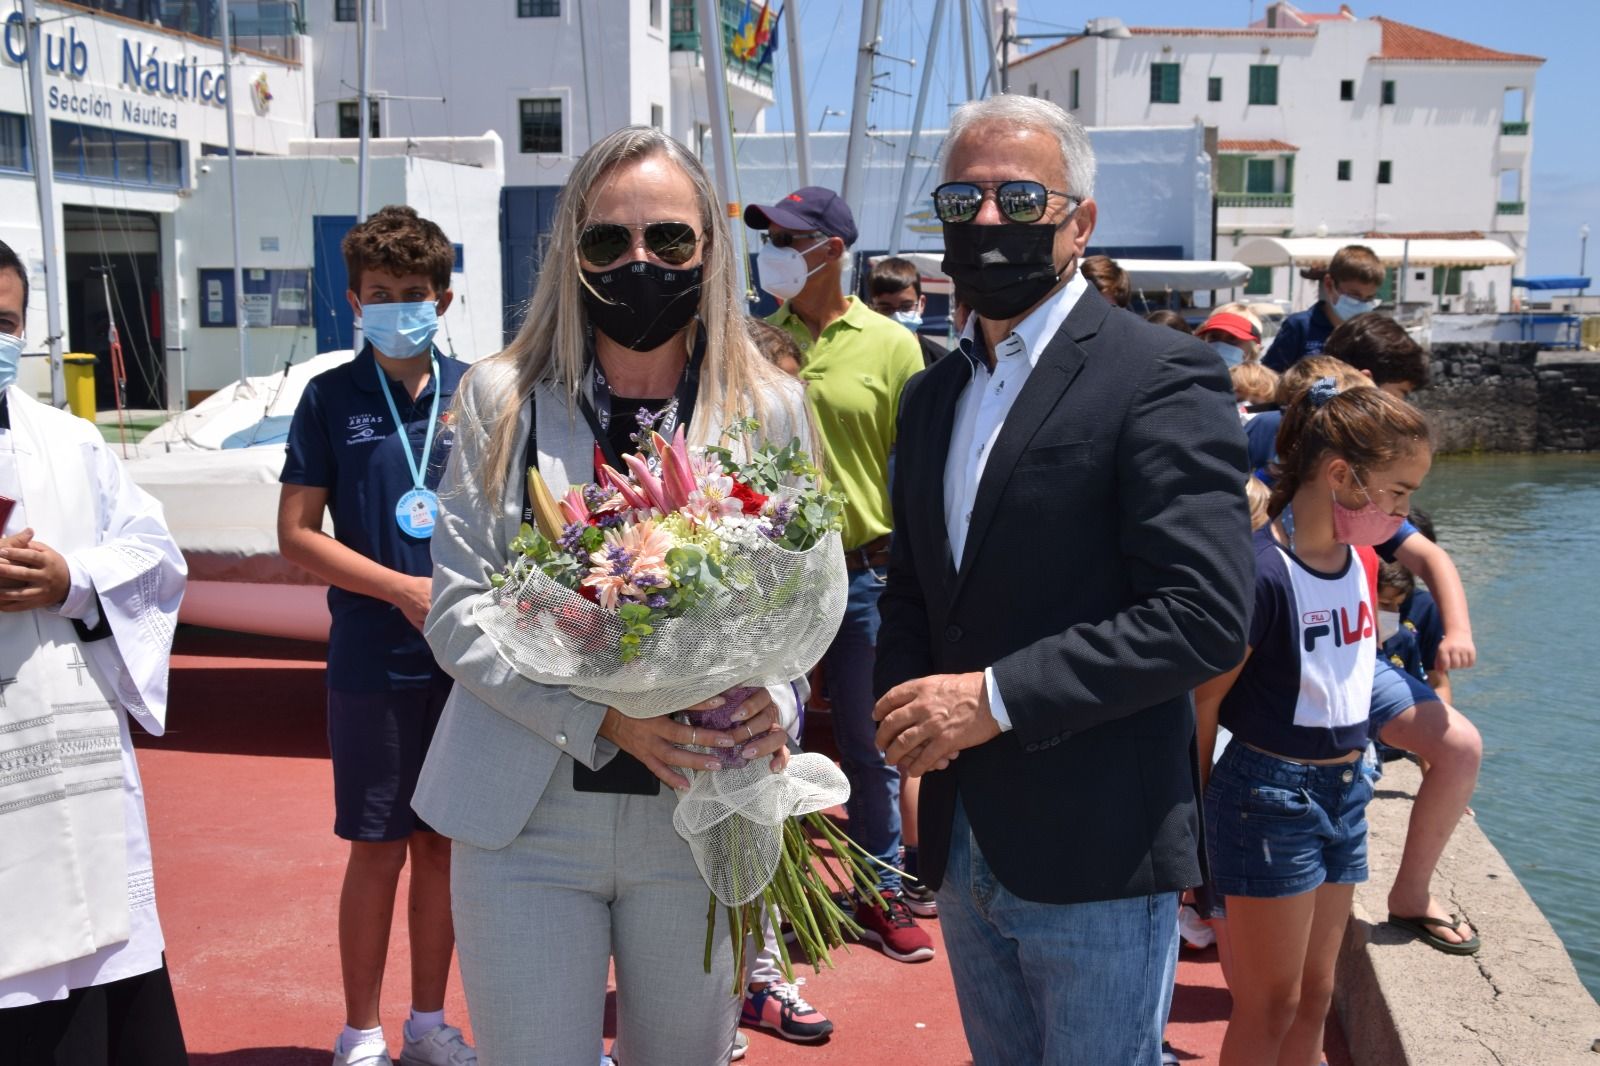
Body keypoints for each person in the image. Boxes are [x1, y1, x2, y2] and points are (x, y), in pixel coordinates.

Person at [873, 94, 1254, 1064]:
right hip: (961, 842)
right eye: (961, 200)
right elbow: (915, 586)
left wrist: (991, 700)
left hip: (1097, 844)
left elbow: (1204, 614)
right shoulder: (930, 397)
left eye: (1018, 196)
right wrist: (905, 723)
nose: (987, 220)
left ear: (1078, 221)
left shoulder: (1159, 375)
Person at [412, 126, 805, 1065]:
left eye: (668, 239)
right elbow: (460, 610)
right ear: (571, 256)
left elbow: (794, 607)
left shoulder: (771, 407)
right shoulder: (499, 398)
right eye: (607, 242)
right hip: (528, 813)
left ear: (708, 248)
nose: (640, 262)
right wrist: (605, 721)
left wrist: (776, 701)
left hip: (701, 807)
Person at [276, 206, 475, 1066]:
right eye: (383, 294)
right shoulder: (329, 397)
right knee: (377, 847)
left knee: (443, 847)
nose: (401, 306)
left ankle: (428, 1025)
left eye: (417, 293)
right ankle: (359, 1031)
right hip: (372, 660)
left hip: (467, 664)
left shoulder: (482, 390)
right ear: (356, 301)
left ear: (446, 298)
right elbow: (296, 533)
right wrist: (397, 587)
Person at [1194, 381, 1433, 1065]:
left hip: (1345, 789)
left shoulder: (1357, 560)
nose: (1402, 511)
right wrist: (1195, 826)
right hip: (1268, 799)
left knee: (1315, 995)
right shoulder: (1263, 573)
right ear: (1340, 475)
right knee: (1270, 1005)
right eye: (1395, 492)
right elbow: (1204, 701)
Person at [0, 239, 189, 1062]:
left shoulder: (67, 442)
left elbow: (156, 556)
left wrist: (71, 578)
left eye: (4, 321)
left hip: (72, 779)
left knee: (100, 1003)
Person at [746, 185, 935, 960]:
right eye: (771, 239)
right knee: (768, 740)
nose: (774, 253)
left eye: (789, 240)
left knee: (870, 744)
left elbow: (917, 470)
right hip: (770, 575)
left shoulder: (893, 345)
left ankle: (879, 892)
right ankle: (781, 900)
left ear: (832, 250)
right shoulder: (753, 338)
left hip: (863, 576)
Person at [1263, 245, 1385, 372]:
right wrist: (1323, 386)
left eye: (1369, 298)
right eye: (1354, 295)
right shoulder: (1300, 327)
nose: (1361, 303)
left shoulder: (1370, 335)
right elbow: (1269, 379)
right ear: (1329, 284)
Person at [1323, 311, 1430, 399]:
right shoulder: (1352, 423)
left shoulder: (1313, 404)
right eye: (1401, 393)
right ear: (1364, 381)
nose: (1402, 405)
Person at [866, 256, 946, 366]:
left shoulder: (943, 363)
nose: (897, 316)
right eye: (886, 308)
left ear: (921, 304)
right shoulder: (858, 357)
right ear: (872, 308)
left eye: (906, 307)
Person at [1197, 308, 1262, 367]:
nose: (1220, 345)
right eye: (1213, 337)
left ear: (1253, 349)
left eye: (1232, 339)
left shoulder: (1263, 380)